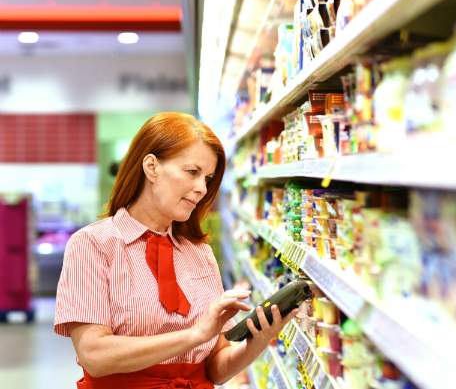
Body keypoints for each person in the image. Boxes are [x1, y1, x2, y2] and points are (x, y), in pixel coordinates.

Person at [54, 112, 298, 388]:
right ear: (151, 167)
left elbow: (216, 369)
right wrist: (193, 335)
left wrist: (260, 340)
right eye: (192, 172)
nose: (201, 189)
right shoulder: (92, 245)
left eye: (208, 178)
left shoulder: (200, 254)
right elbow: (94, 356)